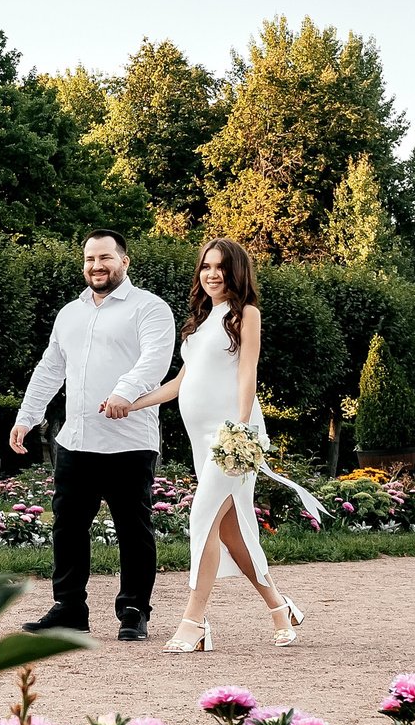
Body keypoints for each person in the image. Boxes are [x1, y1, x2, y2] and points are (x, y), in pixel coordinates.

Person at [108, 236, 310, 651]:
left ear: (236, 271)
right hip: (201, 441)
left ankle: (193, 621)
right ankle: (279, 606)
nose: (212, 274)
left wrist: (241, 429)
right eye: (205, 266)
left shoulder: (245, 314)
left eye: (220, 267)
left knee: (202, 516)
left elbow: (246, 374)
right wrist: (132, 403)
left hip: (232, 438)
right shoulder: (200, 323)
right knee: (232, 532)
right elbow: (180, 384)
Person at [9, 230, 175, 638]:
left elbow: (156, 360)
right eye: (89, 259)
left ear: (124, 261)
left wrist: (124, 392)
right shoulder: (70, 313)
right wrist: (26, 416)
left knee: (132, 528)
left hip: (129, 439)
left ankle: (134, 610)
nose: (96, 266)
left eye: (105, 258)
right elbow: (50, 368)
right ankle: (69, 609)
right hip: (76, 440)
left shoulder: (149, 309)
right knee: (67, 526)